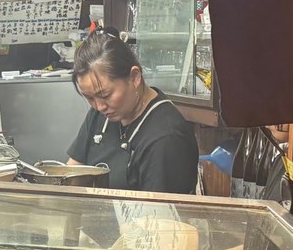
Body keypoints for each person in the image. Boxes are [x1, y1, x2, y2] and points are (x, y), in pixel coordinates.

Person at [67, 30, 199, 193]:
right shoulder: (102, 113)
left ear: (135, 77)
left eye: (105, 95)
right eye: (89, 98)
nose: (99, 106)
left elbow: (158, 214)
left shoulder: (166, 138)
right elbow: (72, 173)